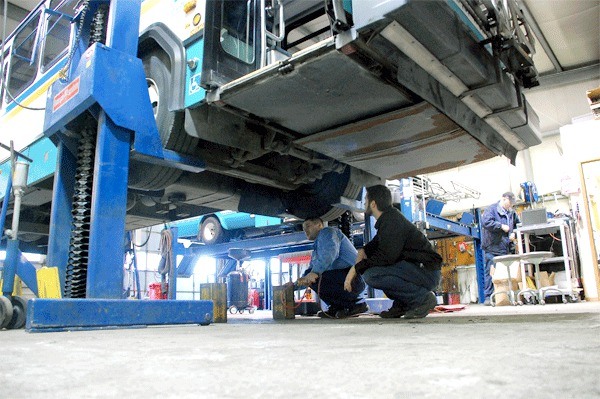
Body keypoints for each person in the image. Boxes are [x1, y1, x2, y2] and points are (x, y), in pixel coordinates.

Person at [344, 185, 442, 319]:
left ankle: (422, 299)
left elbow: (386, 257)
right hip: (417, 271)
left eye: (366, 200)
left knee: (372, 275)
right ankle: (403, 303)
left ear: (373, 204)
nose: (364, 203)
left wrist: (356, 268)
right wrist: (362, 251)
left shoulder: (392, 222)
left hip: (426, 272)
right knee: (374, 269)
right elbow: (373, 247)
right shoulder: (388, 220)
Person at [293, 218, 367, 319]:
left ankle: (356, 305)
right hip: (344, 279)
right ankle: (337, 307)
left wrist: (314, 273)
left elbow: (330, 254)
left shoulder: (327, 232)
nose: (305, 230)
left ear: (319, 225)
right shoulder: (317, 247)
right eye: (303, 228)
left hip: (353, 279)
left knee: (317, 278)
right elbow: (309, 273)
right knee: (310, 275)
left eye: (308, 226)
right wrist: (293, 287)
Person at [481, 192, 520, 305]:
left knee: (505, 274)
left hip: (506, 247)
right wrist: (500, 226)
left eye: (512, 204)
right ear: (503, 199)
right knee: (490, 272)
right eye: (509, 203)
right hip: (492, 247)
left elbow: (518, 225)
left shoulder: (511, 213)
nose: (510, 206)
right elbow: (486, 222)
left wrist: (514, 234)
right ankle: (488, 297)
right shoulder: (492, 210)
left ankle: (506, 296)